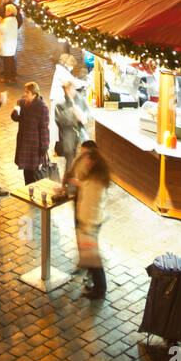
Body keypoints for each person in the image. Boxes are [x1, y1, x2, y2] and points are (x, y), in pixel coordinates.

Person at [70, 146, 111, 299]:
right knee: (91, 258)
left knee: (93, 259)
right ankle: (97, 287)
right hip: (89, 222)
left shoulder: (96, 182)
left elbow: (92, 204)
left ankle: (99, 290)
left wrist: (86, 226)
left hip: (90, 223)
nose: (85, 161)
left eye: (88, 159)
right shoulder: (94, 177)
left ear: (94, 162)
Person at [12, 81, 51, 184]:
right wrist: (16, 110)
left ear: (34, 94)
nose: (25, 94)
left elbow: (44, 129)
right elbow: (15, 118)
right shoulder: (22, 103)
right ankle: (28, 192)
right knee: (26, 173)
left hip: (34, 147)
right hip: (24, 144)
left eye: (27, 93)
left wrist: (44, 147)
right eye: (25, 92)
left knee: (35, 175)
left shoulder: (42, 107)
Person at [54, 79, 89, 177]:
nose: (69, 92)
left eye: (71, 89)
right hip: (68, 137)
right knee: (70, 162)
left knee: (79, 162)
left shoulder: (80, 99)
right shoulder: (60, 103)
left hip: (80, 136)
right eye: (67, 90)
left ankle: (75, 182)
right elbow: (59, 120)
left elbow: (87, 112)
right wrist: (72, 114)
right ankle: (70, 185)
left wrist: (83, 117)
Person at [0, 5, 20, 81]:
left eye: (8, 10)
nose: (6, 12)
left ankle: (7, 77)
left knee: (7, 61)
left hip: (6, 43)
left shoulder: (8, 20)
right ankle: (13, 75)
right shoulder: (14, 19)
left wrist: (0, 23)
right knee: (11, 60)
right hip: (11, 42)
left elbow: (4, 30)